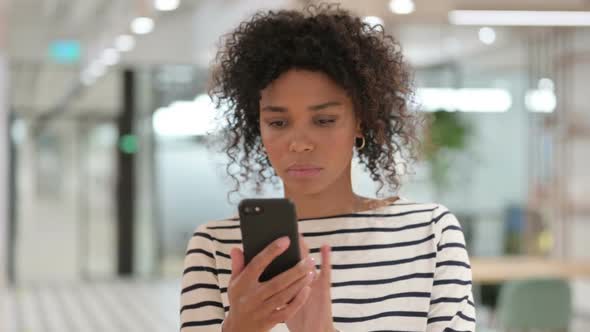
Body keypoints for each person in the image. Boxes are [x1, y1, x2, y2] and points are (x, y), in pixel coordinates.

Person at [180, 3, 475, 331]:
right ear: (258, 127)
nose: (300, 142)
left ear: (360, 123)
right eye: (278, 122)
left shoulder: (429, 232)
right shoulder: (216, 246)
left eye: (324, 120)